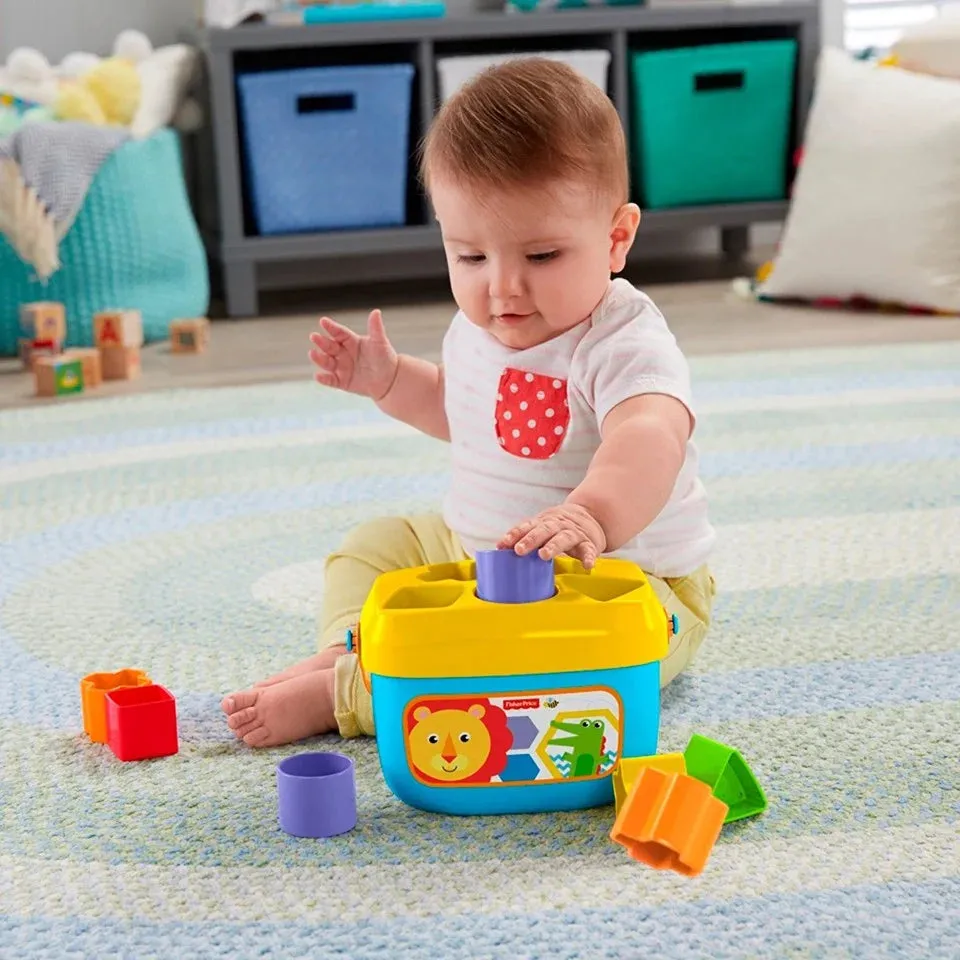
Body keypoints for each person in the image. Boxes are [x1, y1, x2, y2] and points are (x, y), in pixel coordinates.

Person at [222, 57, 716, 748]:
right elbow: (463, 413)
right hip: (474, 551)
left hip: (620, 583)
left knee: (534, 665)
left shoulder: (622, 342)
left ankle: (354, 695)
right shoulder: (479, 328)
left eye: (541, 257)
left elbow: (649, 438)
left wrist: (590, 515)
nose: (503, 288)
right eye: (472, 258)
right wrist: (391, 381)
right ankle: (351, 644)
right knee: (374, 546)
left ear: (616, 238)